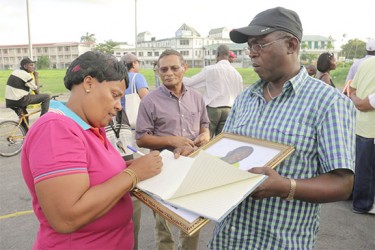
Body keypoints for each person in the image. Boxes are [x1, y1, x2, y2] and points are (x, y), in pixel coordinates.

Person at [205, 7, 355, 249]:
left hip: (278, 242)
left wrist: (286, 187)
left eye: (260, 45)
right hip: (227, 239)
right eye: (249, 47)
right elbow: (226, 156)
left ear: (291, 45)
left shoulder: (329, 103)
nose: (252, 54)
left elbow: (343, 184)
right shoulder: (245, 99)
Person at [21, 51, 162, 249]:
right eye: (114, 95)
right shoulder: (55, 129)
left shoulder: (91, 128)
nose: (118, 106)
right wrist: (132, 174)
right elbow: (66, 218)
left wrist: (131, 168)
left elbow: (97, 177)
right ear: (88, 84)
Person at [135, 49, 210, 250]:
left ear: (184, 68)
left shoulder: (196, 97)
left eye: (174, 68)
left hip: (192, 167)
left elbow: (205, 125)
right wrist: (172, 140)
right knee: (164, 225)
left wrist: (205, 136)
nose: (169, 73)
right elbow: (141, 138)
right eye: (163, 69)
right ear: (158, 72)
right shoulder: (149, 101)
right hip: (162, 170)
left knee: (191, 222)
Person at [119, 52, 150, 250]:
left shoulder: (119, 77)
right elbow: (146, 98)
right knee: (137, 158)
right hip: (133, 124)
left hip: (118, 123)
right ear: (135, 64)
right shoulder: (137, 78)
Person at [184, 44, 243, 137]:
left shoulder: (210, 69)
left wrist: (178, 76)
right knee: (222, 141)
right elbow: (240, 96)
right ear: (228, 55)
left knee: (205, 140)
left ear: (217, 54)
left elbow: (190, 82)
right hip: (229, 110)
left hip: (212, 109)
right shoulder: (237, 74)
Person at [349, 56, 375, 214]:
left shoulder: (365, 63)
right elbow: (366, 105)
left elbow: (352, 90)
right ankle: (362, 204)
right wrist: (359, 103)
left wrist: (355, 100)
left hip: (360, 124)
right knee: (367, 169)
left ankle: (356, 197)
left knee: (361, 166)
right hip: (371, 129)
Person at [5, 57, 50, 129]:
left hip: (10, 101)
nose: (33, 67)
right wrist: (36, 77)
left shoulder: (16, 72)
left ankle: (26, 136)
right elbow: (37, 92)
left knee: (24, 117)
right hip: (20, 100)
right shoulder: (26, 75)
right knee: (46, 97)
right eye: (31, 65)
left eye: (33, 65)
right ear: (25, 66)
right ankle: (43, 121)